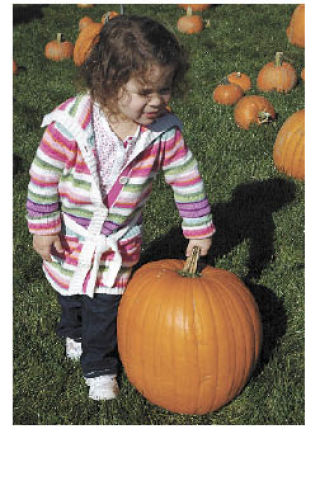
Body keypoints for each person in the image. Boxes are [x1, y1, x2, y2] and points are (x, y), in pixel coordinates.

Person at [26, 15, 215, 401]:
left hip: (117, 245)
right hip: (71, 235)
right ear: (111, 82)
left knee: (105, 306)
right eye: (145, 91)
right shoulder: (71, 125)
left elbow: (186, 179)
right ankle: (72, 330)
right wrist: (43, 224)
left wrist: (198, 229)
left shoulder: (163, 132)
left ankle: (99, 366)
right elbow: (44, 174)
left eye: (165, 90)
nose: (158, 101)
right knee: (71, 294)